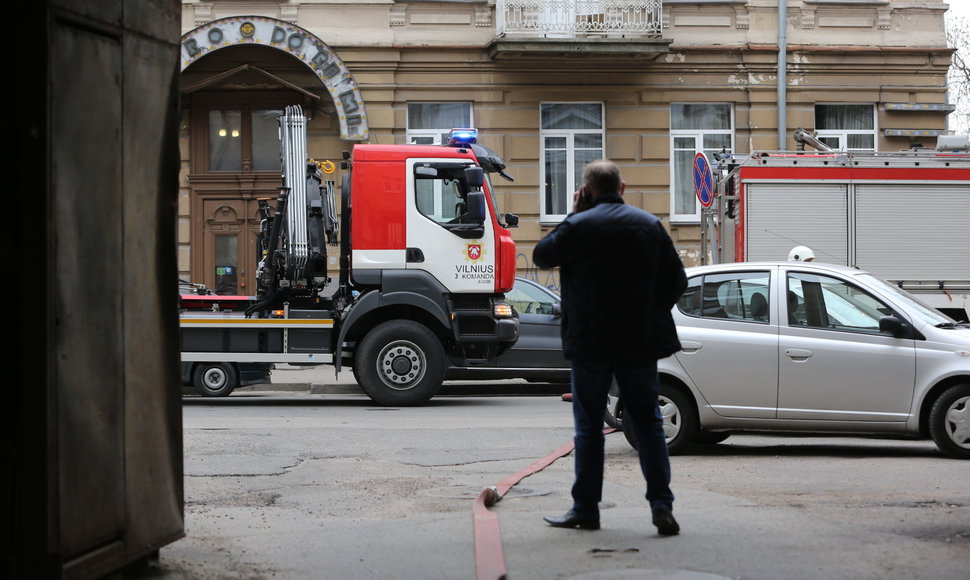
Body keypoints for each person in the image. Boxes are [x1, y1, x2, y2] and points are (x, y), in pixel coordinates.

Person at [533, 159, 687, 535]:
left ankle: (586, 509)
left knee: (588, 427)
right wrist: (648, 312)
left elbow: (541, 256)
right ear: (622, 187)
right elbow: (677, 281)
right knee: (649, 423)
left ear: (586, 191)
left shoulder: (579, 225)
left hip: (591, 344)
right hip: (638, 342)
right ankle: (661, 508)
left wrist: (574, 214)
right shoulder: (649, 225)